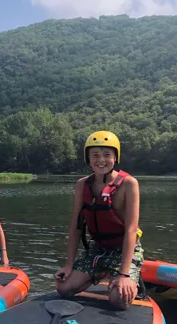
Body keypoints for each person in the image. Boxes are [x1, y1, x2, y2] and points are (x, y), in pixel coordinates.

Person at [54, 131, 144, 310]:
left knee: (119, 300)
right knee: (63, 288)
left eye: (107, 154)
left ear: (115, 157)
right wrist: (69, 265)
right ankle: (101, 272)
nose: (100, 160)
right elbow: (76, 227)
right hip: (98, 249)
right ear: (88, 158)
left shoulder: (129, 184)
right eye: (95, 155)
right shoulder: (82, 185)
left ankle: (127, 277)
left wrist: (124, 274)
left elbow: (131, 231)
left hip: (124, 249)